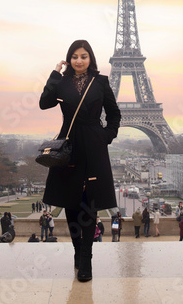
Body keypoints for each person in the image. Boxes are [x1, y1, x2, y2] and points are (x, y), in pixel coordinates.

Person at [39, 40, 121, 282]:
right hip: (69, 145)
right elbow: (44, 104)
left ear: (90, 58)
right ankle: (77, 252)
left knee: (90, 203)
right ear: (68, 59)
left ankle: (86, 258)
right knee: (71, 203)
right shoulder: (61, 82)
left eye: (83, 56)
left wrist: (106, 136)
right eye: (74, 56)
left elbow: (114, 114)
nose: (79, 60)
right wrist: (54, 74)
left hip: (94, 145)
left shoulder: (101, 82)